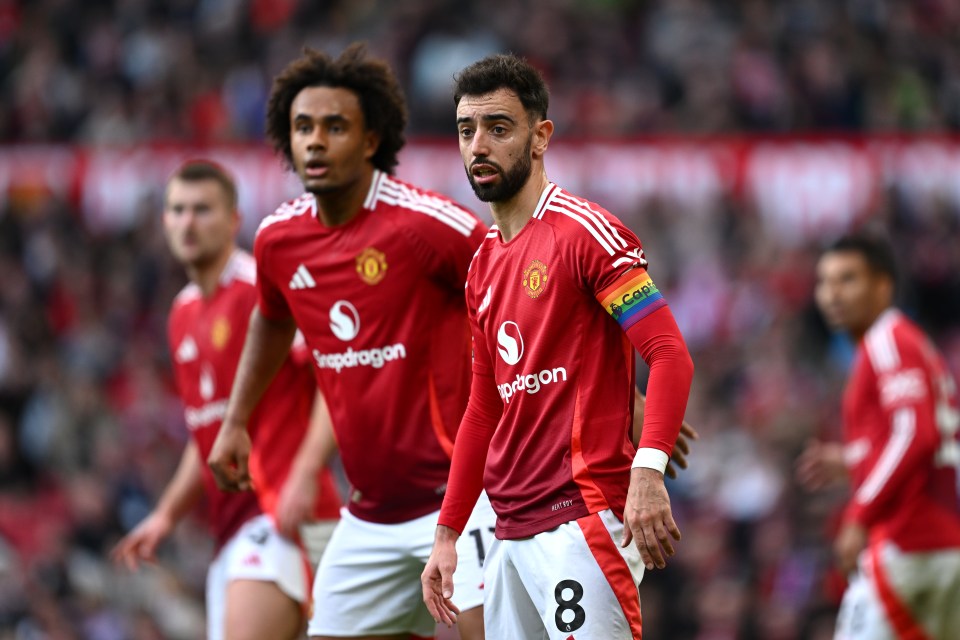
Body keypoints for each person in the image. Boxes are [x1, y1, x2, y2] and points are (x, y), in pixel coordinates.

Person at [205, 44, 496, 640]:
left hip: (464, 500)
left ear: (370, 140)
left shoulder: (426, 226)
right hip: (368, 515)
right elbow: (270, 317)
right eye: (302, 127)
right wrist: (236, 419)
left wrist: (625, 397)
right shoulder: (278, 240)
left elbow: (525, 291)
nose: (315, 141)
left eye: (334, 127)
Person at [422, 54, 695, 640]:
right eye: (467, 131)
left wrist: (648, 472)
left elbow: (670, 353)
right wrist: (447, 533)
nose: (479, 146)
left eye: (499, 128)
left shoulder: (586, 233)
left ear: (540, 136)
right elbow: (483, 409)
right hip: (509, 530)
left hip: (583, 518)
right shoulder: (481, 267)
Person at [111, 160, 341, 640]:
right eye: (177, 210)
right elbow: (208, 434)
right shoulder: (182, 313)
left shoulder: (262, 289)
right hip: (231, 530)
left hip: (282, 513)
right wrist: (166, 515)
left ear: (234, 219)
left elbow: (333, 382)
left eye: (202, 210)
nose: (188, 222)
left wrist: (302, 474)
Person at [797, 233, 960, 639]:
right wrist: (853, 460)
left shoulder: (887, 340)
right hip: (940, 543)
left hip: (907, 542)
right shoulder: (908, 342)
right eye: (825, 282)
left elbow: (916, 434)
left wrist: (859, 514)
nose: (833, 294)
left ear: (883, 285)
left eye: (848, 279)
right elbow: (921, 437)